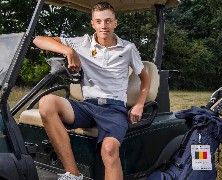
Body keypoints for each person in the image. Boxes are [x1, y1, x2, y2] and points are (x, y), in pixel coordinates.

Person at [33, 2, 150, 180]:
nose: (104, 26)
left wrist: (140, 104)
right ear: (93, 24)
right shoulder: (82, 43)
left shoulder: (128, 48)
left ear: (115, 23)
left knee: (109, 149)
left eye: (108, 21)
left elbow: (145, 79)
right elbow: (38, 40)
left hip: (115, 109)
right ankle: (73, 175)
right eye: (99, 21)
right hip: (87, 107)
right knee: (46, 103)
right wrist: (68, 50)